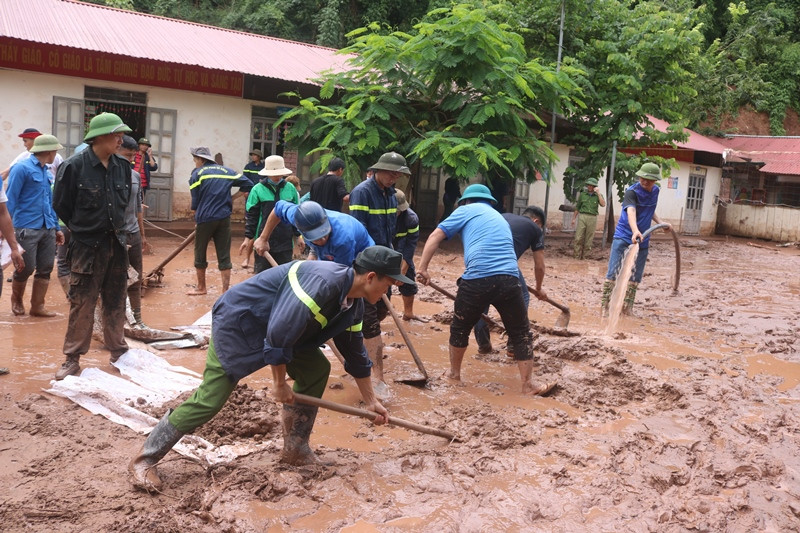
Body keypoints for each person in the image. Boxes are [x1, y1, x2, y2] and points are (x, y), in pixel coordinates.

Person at [128, 245, 414, 492]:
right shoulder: (322, 284)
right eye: (389, 284)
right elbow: (278, 334)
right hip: (241, 321)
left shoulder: (354, 306)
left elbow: (355, 355)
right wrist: (279, 383)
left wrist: (370, 400)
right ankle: (145, 459)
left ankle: (295, 451)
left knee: (316, 368)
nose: (388, 291)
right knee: (210, 400)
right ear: (371, 277)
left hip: (285, 333)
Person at [417, 184, 555, 396]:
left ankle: (454, 374)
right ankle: (528, 385)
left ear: (466, 201)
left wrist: (423, 268)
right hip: (510, 278)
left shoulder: (465, 210)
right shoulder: (498, 216)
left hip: (478, 278)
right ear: (490, 202)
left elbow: (435, 236)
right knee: (521, 333)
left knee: (460, 327)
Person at [52, 112, 134, 380]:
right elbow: (61, 205)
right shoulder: (73, 167)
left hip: (117, 244)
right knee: (82, 302)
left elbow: (124, 204)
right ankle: (72, 358)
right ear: (99, 137)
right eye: (116, 135)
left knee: (116, 298)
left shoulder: (122, 167)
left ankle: (118, 352)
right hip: (87, 246)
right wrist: (83, 228)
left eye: (121, 135)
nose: (120, 139)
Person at [348, 152, 411, 396]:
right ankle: (377, 378)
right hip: (368, 265)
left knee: (382, 310)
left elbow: (391, 231)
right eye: (390, 173)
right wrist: (370, 266)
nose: (394, 178)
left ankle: (358, 347)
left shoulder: (391, 195)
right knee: (370, 320)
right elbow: (358, 230)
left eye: (397, 175)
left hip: (385, 262)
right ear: (378, 170)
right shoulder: (362, 192)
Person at [473, 206, 548, 354]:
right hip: (505, 264)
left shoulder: (502, 216)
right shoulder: (534, 228)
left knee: (481, 303)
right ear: (536, 221)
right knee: (523, 296)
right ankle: (513, 346)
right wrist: (539, 288)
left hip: (477, 261)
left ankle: (484, 346)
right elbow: (539, 266)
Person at [6, 134, 65, 317]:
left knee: (46, 267)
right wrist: (4, 230)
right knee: (26, 267)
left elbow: (49, 202)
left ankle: (37, 306)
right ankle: (17, 300)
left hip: (47, 227)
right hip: (26, 227)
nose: (56, 155)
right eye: (55, 151)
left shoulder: (46, 172)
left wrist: (56, 228)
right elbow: (10, 199)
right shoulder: (21, 168)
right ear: (49, 151)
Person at [601, 162, 672, 317]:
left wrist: (661, 223)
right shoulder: (631, 192)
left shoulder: (656, 191)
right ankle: (605, 308)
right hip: (624, 235)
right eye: (642, 178)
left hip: (643, 237)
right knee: (613, 273)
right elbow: (631, 211)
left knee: (635, 276)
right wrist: (635, 231)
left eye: (649, 180)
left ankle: (627, 309)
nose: (645, 182)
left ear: (655, 180)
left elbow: (650, 210)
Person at [186, 146, 251, 296]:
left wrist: (197, 218)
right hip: (224, 218)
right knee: (224, 253)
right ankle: (225, 290)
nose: (195, 162)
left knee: (200, 252)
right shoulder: (227, 171)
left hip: (205, 218)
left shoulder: (197, 174)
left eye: (195, 160)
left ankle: (201, 288)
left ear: (201, 159)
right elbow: (248, 184)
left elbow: (195, 203)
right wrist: (233, 198)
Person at [254, 200, 373, 267]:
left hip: (361, 255)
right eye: (315, 238)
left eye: (324, 234)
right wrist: (263, 238)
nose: (322, 240)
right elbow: (278, 208)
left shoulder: (343, 239)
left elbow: (340, 276)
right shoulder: (298, 216)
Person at [238, 155, 299, 273]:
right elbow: (252, 217)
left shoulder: (290, 189)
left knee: (284, 276)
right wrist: (248, 238)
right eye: (274, 174)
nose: (277, 176)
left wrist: (298, 236)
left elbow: (295, 215)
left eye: (279, 173)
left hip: (285, 241)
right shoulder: (257, 189)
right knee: (262, 276)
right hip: (262, 241)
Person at [118, 135, 150, 330]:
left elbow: (138, 208)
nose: (131, 160)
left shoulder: (135, 176)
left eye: (133, 156)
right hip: (116, 236)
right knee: (116, 281)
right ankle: (118, 320)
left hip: (134, 233)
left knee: (136, 278)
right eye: (127, 155)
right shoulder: (108, 175)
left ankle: (137, 319)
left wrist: (143, 235)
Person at [393, 190, 426, 322]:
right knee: (381, 284)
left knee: (408, 281)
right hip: (384, 246)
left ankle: (408, 313)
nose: (398, 213)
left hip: (402, 247)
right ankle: (377, 317)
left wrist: (403, 270)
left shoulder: (411, 219)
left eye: (399, 210)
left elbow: (410, 245)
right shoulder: (380, 216)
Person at [572, 177, 605, 259]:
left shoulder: (598, 195)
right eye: (588, 185)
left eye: (591, 185)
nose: (589, 187)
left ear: (595, 186)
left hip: (592, 217)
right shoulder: (583, 194)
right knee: (578, 237)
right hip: (582, 216)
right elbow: (578, 207)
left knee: (589, 239)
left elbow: (603, 204)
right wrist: (574, 218)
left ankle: (585, 257)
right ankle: (576, 256)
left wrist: (598, 193)